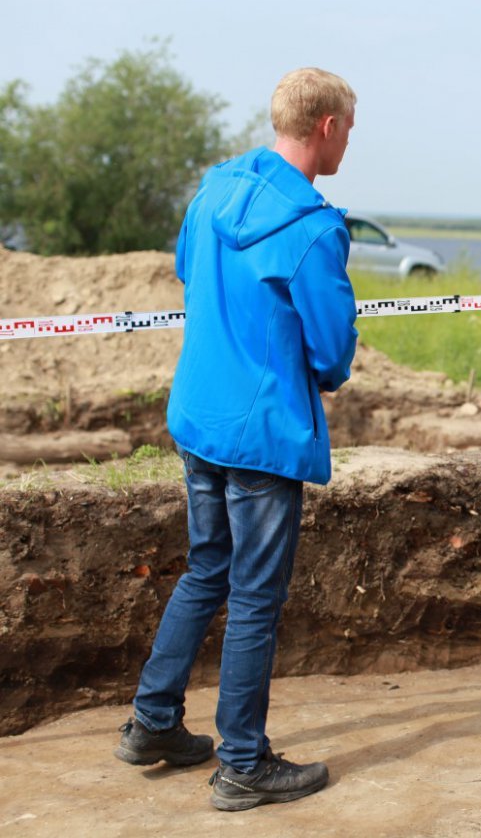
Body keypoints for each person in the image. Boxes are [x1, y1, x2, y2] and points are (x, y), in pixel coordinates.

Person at [113, 67, 360, 810]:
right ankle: (243, 765)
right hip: (261, 437)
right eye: (350, 124)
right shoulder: (314, 230)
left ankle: (153, 722)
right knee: (255, 597)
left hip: (199, 417)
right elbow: (331, 354)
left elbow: (191, 272)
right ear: (325, 126)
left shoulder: (213, 192)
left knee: (206, 568)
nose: (351, 137)